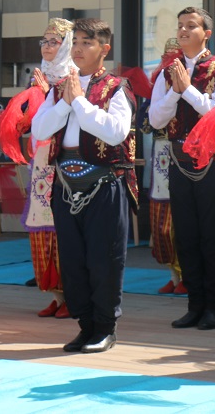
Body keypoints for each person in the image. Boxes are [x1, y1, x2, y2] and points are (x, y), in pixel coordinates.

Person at [31, 18, 136, 354]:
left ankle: (104, 327)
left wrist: (78, 102)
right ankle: (85, 325)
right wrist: (66, 100)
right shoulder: (61, 86)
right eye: (74, 42)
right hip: (66, 185)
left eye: (87, 43)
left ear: (104, 48)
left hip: (103, 185)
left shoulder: (117, 87)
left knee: (104, 259)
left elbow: (115, 132)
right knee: (73, 260)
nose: (77, 49)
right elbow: (40, 129)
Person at [148, 7, 215, 331]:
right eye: (180, 26)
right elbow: (156, 119)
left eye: (191, 26)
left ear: (206, 34)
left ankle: (213, 307)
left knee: (212, 235)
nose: (184, 31)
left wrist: (188, 90)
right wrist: (175, 89)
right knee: (185, 235)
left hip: (214, 163)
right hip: (180, 162)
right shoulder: (167, 73)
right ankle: (194, 304)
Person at [25, 18, 76, 318]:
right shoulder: (40, 76)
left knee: (61, 229)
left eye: (53, 41)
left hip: (63, 162)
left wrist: (46, 95)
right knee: (42, 226)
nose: (46, 46)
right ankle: (55, 294)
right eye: (43, 41)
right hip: (41, 161)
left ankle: (72, 293)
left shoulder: (73, 75)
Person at [143, 38, 185, 295]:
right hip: (160, 157)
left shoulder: (189, 83)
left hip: (179, 154)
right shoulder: (158, 84)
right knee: (161, 223)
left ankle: (188, 275)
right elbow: (148, 123)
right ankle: (173, 273)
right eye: (166, 56)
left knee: (181, 221)